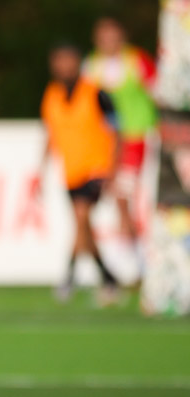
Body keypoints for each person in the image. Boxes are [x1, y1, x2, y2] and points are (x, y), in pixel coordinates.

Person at [39, 43, 121, 303]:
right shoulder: (52, 95)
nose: (64, 66)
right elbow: (50, 133)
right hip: (71, 171)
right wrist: (41, 168)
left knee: (81, 216)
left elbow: (116, 130)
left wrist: (113, 169)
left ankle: (69, 277)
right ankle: (108, 278)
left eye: (68, 60)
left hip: (96, 168)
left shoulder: (96, 93)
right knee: (82, 224)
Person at [83, 17, 157, 269]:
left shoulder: (137, 60)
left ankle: (137, 261)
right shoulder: (91, 65)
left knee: (129, 197)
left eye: (113, 37)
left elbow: (159, 94)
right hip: (109, 143)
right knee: (119, 199)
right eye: (104, 38)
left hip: (139, 137)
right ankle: (134, 261)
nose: (109, 42)